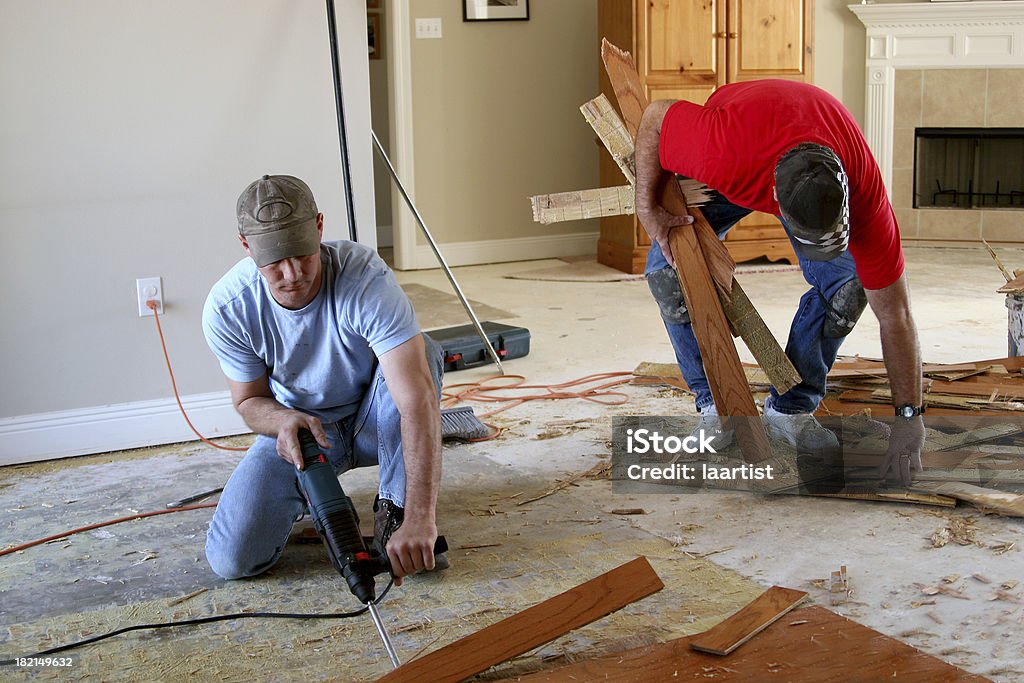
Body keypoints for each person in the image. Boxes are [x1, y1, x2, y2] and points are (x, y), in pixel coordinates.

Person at [634, 79, 925, 485]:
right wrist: (647, 208)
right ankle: (713, 404)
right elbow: (655, 116)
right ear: (774, 200)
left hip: (805, 144)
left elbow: (897, 314)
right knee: (668, 277)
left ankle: (791, 409)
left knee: (848, 285)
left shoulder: (862, 190)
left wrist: (909, 418)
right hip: (746, 149)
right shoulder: (720, 152)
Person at [202, 174, 445, 583]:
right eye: (275, 261)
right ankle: (306, 496)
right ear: (247, 246)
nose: (293, 273)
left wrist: (421, 516)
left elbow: (415, 399)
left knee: (424, 354)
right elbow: (249, 401)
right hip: (305, 434)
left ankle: (395, 510)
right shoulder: (229, 308)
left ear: (319, 227)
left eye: (302, 254)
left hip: (374, 419)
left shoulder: (364, 277)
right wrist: (281, 422)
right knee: (233, 560)